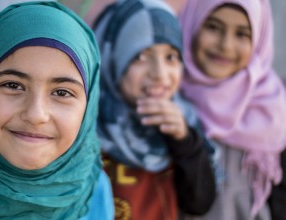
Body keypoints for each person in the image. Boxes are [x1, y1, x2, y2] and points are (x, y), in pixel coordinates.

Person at [0, 1, 113, 219]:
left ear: (88, 108)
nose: (35, 115)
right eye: (13, 85)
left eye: (62, 92)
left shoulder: (93, 187)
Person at [93, 0, 217, 219]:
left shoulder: (183, 122)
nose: (160, 73)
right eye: (141, 56)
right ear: (111, 56)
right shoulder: (85, 124)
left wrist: (184, 141)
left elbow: (199, 203)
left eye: (171, 57)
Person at [178, 0, 286, 219]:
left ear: (259, 40)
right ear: (191, 25)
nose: (226, 45)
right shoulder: (169, 99)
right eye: (213, 27)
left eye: (242, 34)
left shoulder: (272, 108)